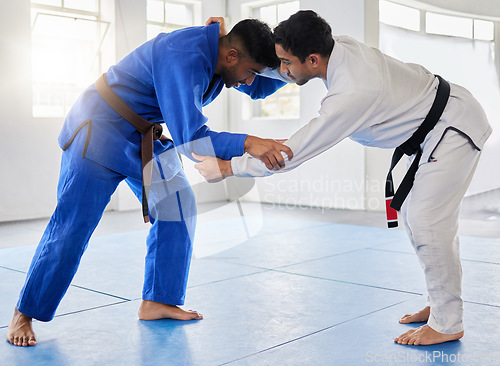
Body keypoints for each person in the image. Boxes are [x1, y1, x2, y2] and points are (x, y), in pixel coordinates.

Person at [193, 10, 492, 346]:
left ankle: (448, 323)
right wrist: (223, 45)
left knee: (426, 219)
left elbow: (292, 153)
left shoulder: (352, 93)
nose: (284, 72)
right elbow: (285, 71)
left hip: (454, 127)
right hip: (441, 124)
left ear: (313, 58)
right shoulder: (336, 49)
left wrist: (229, 168)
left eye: (288, 63)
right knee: (418, 216)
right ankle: (440, 304)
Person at [6, 18, 294, 347]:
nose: (251, 80)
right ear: (231, 56)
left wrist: (298, 65)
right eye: (250, 71)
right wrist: (249, 142)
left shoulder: (221, 56)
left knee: (178, 205)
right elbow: (192, 139)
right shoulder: (184, 55)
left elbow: (257, 87)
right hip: (98, 127)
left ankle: (158, 300)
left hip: (141, 134)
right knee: (73, 225)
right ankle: (24, 313)